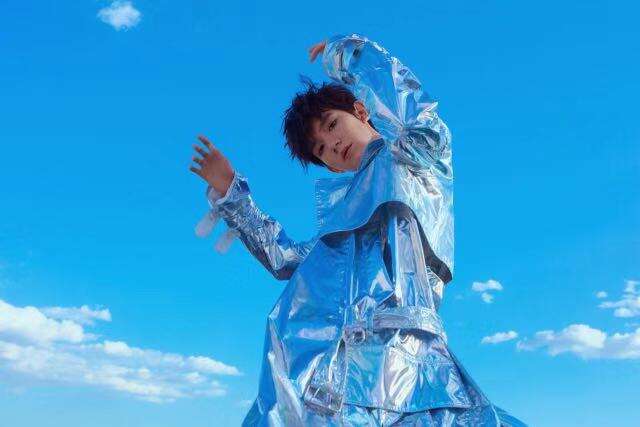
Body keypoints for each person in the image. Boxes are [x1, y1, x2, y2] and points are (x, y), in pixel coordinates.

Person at [190, 33, 527, 427]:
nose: (333, 144)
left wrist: (348, 56)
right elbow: (286, 259)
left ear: (362, 110)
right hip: (334, 376)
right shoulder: (341, 220)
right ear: (330, 167)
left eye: (333, 124)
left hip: (411, 362)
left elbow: (418, 114)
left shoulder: (414, 157)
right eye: (320, 149)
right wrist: (231, 192)